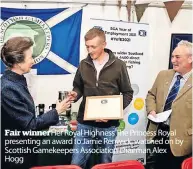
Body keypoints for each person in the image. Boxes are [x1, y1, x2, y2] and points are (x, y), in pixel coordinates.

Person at [1, 36, 71, 169]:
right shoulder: (8, 88)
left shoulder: (16, 81)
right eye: (30, 57)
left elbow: (25, 117)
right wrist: (57, 111)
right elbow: (31, 125)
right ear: (18, 62)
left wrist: (55, 109)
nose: (33, 61)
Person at [69, 27, 133, 168]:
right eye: (87, 47)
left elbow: (128, 93)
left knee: (105, 164)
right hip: (84, 123)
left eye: (93, 46)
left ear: (104, 44)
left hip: (108, 126)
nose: (90, 50)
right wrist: (75, 94)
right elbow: (78, 87)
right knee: (76, 164)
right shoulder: (83, 64)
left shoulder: (119, 65)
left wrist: (111, 114)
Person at [146, 40, 192, 169]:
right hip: (158, 133)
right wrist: (151, 111)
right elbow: (151, 95)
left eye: (177, 57)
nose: (173, 60)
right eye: (172, 56)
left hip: (183, 140)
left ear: (190, 59)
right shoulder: (163, 75)